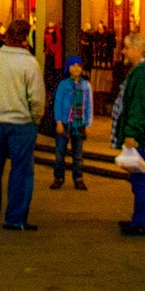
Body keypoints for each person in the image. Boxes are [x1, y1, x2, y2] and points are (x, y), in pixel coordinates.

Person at [0, 18, 44, 232]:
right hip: (21, 122)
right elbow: (36, 98)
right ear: (25, 38)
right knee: (21, 171)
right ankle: (15, 217)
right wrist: (35, 118)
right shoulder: (29, 63)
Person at [109, 33, 145, 237]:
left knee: (143, 179)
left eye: (126, 47)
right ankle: (140, 219)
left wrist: (131, 133)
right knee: (140, 178)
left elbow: (140, 106)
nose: (123, 51)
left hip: (143, 137)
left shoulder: (142, 74)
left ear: (139, 50)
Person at [49, 55, 93, 191]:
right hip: (65, 122)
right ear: (68, 68)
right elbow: (58, 103)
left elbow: (89, 105)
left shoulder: (86, 85)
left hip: (78, 125)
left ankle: (78, 178)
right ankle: (58, 177)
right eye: (73, 65)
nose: (76, 68)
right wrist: (59, 122)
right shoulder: (63, 84)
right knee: (60, 153)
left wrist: (88, 123)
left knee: (78, 154)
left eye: (78, 65)